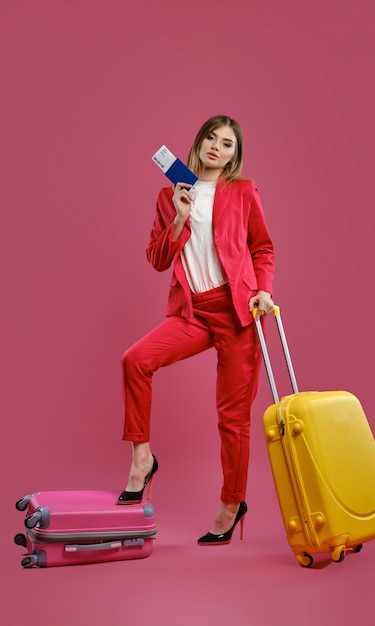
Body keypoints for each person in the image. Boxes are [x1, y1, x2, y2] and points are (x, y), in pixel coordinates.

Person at [118, 115, 275, 546]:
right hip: (193, 312)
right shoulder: (170, 195)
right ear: (199, 142)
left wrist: (263, 290)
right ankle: (142, 460)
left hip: (238, 311)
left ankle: (232, 502)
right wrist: (178, 218)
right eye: (211, 138)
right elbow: (156, 259)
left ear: (233, 156)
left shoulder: (242, 192)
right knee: (136, 360)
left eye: (227, 144)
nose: (216, 148)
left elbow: (262, 248)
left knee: (232, 419)